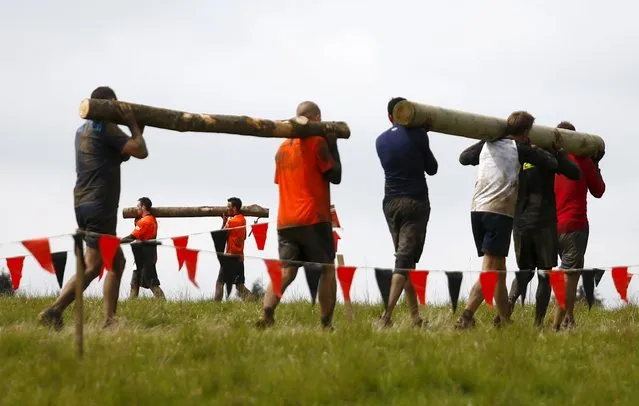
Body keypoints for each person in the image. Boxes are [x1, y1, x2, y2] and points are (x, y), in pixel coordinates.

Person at [38, 86, 148, 330]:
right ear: (105, 106)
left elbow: (124, 152)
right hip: (101, 206)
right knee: (99, 266)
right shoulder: (107, 129)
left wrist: (137, 128)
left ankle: (101, 319)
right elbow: (140, 150)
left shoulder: (83, 131)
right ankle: (59, 311)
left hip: (83, 204)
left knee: (109, 263)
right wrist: (131, 122)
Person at [455, 111, 559, 329]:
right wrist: (535, 148)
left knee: (499, 270)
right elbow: (550, 162)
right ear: (526, 132)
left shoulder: (487, 145)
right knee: (491, 270)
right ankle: (466, 316)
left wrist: (487, 139)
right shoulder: (519, 149)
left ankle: (504, 320)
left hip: (477, 209)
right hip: (499, 212)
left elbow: (464, 158)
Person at [255, 101, 341, 329]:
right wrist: (333, 144)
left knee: (287, 270)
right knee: (326, 268)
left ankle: (267, 311)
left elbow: (280, 180)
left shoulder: (281, 149)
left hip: (286, 220)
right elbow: (335, 175)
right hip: (313, 217)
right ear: (316, 118)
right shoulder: (318, 142)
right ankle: (326, 324)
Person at [504, 126, 581, 328]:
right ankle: (538, 325)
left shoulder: (516, 153)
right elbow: (574, 172)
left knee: (525, 271)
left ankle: (507, 307)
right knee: (544, 275)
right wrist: (560, 152)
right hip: (544, 223)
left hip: (520, 222)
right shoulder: (547, 156)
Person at [374, 97, 438, 328]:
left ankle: (415, 318)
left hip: (390, 204)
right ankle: (386, 317)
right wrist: (424, 137)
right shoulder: (419, 135)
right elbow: (432, 168)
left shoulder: (379, 141)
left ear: (390, 117)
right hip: (415, 203)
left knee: (406, 261)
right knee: (403, 262)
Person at [552, 121, 606, 330]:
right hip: (575, 224)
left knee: (569, 274)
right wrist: (595, 164)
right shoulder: (583, 161)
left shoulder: (551, 160)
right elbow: (599, 190)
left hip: (551, 226)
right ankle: (557, 325)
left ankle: (569, 318)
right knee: (569, 276)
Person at [121, 197, 165, 300]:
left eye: (138, 206)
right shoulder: (151, 219)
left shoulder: (145, 221)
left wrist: (116, 242)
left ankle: (164, 302)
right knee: (134, 283)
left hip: (146, 256)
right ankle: (131, 305)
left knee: (152, 283)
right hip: (142, 255)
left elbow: (131, 237)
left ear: (143, 207)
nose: (136, 208)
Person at [214, 197, 255, 301]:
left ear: (235, 208)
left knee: (220, 282)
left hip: (230, 256)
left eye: (229, 207)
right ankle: (254, 301)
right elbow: (244, 236)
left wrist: (224, 222)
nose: (227, 209)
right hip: (240, 257)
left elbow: (221, 236)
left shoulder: (231, 222)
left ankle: (216, 306)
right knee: (239, 285)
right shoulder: (243, 220)